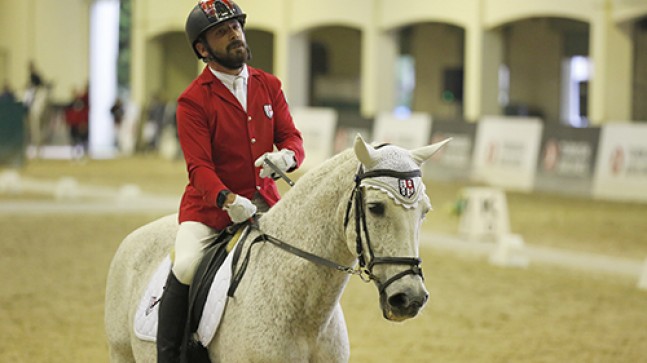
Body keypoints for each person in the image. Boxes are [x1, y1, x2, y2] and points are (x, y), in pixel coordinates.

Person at [156, 1, 305, 361]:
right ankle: (172, 353)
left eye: (236, 26)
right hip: (210, 210)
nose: (235, 35)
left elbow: (293, 139)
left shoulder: (268, 85)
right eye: (223, 32)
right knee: (186, 265)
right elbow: (199, 168)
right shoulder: (192, 101)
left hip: (267, 203)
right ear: (203, 49)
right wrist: (226, 199)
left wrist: (287, 157)